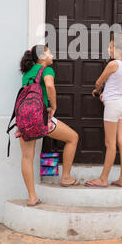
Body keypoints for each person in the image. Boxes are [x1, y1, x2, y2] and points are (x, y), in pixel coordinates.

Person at [16, 44, 79, 206]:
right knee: (73, 137)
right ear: (42, 57)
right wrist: (54, 106)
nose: (52, 55)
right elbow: (49, 86)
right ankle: (66, 177)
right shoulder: (47, 70)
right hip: (41, 119)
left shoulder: (27, 73)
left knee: (27, 157)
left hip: (24, 120)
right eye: (49, 52)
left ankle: (32, 197)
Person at [85, 34, 122, 188]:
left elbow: (98, 82)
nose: (109, 49)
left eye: (111, 47)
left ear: (118, 50)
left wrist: (98, 90)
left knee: (110, 143)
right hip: (121, 104)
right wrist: (109, 93)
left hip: (113, 106)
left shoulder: (113, 64)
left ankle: (103, 179)